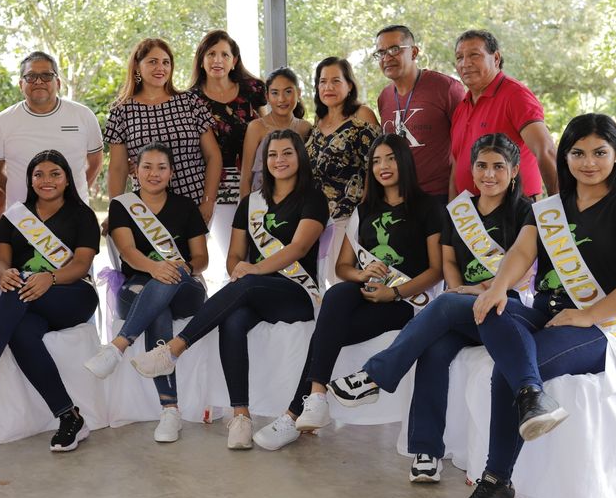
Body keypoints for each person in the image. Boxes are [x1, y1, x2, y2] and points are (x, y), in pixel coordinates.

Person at [461, 114, 616, 498]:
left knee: (508, 369)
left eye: (599, 153)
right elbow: (521, 252)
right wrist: (498, 287)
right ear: (565, 157)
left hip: (600, 328)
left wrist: (589, 314)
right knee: (490, 310)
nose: (588, 162)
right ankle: (532, 396)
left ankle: (497, 481)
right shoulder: (550, 210)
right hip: (545, 313)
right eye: (578, 153)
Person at [328, 133, 532, 483]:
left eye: (499, 167)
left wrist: (477, 290)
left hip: (505, 305)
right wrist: (459, 291)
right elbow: (448, 261)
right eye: (482, 165)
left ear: (514, 171)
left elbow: (524, 270)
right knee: (434, 351)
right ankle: (427, 451)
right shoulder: (460, 212)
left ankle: (374, 376)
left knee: (445, 309)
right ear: (471, 169)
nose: (489, 174)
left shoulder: (526, 211)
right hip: (463, 305)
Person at [131, 130, 328, 450]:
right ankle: (241, 416)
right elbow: (235, 256)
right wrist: (239, 268)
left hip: (296, 292)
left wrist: (252, 271)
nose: (279, 160)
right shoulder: (251, 202)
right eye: (272, 154)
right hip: (255, 291)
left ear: (300, 158)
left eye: (287, 153)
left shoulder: (313, 198)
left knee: (246, 284)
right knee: (232, 320)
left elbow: (298, 248)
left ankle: (174, 350)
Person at [253, 134, 442, 450]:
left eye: (390, 158)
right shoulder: (364, 209)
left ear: (405, 161)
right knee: (338, 294)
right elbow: (343, 268)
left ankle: (293, 413)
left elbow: (436, 270)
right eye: (376, 161)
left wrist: (394, 293)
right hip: (367, 293)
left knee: (325, 334)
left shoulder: (429, 207)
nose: (383, 166)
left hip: (408, 302)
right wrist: (361, 273)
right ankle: (316, 397)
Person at [0, 149, 101, 452]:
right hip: (28, 298)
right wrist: (5, 274)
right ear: (30, 180)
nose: (46, 180)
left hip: (72, 295)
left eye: (55, 174)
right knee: (22, 332)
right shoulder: (15, 217)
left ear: (67, 180)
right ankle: (69, 417)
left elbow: (81, 265)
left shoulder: (82, 215)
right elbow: (0, 260)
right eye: (39, 174)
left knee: (20, 289)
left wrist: (50, 277)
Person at [84, 143, 209, 443]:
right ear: (135, 171)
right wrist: (155, 268)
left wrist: (181, 268)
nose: (154, 173)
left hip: (185, 287)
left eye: (161, 167)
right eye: (147, 167)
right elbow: (127, 251)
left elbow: (201, 259)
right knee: (159, 310)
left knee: (174, 273)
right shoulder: (122, 205)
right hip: (137, 285)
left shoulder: (186, 206)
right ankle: (170, 410)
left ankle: (117, 347)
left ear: (171, 172)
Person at [104, 38, 222, 225]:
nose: (161, 68)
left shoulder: (190, 102)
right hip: (147, 212)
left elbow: (213, 156)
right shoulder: (121, 111)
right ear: (137, 66)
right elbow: (118, 168)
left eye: (166, 62)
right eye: (153, 62)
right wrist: (115, 210)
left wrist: (208, 201)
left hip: (194, 204)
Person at [188, 30, 265, 288]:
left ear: (234, 61)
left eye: (224, 54)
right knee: (230, 257)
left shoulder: (253, 89)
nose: (217, 60)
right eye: (211, 54)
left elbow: (270, 128)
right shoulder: (191, 99)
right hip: (213, 185)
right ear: (201, 60)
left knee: (254, 253)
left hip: (254, 181)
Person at [450, 30, 558, 199]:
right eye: (459, 57)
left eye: (474, 55)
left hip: (516, 208)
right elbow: (456, 165)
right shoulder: (461, 107)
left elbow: (546, 151)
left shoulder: (515, 95)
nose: (465, 63)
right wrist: (452, 209)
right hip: (471, 212)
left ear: (496, 58)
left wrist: (557, 206)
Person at [0, 51, 103, 207]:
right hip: (22, 216)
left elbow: (95, 163)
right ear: (21, 85)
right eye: (31, 76)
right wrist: (19, 195)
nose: (38, 81)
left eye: (46, 76)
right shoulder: (2, 121)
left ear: (58, 83)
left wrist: (73, 195)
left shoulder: (84, 115)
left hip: (74, 213)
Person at [307, 56, 380, 286]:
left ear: (349, 85)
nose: (328, 87)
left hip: (349, 217)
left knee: (339, 283)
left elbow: (374, 167)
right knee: (317, 284)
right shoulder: (318, 120)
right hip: (316, 219)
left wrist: (365, 212)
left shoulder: (362, 115)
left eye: (335, 81)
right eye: (322, 81)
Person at [374, 25, 466, 199]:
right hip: (398, 198)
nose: (387, 57)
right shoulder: (384, 97)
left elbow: (464, 146)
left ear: (414, 52)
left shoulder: (446, 88)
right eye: (381, 52)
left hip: (438, 196)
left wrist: (454, 196)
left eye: (394, 49)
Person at [239, 66, 312, 197]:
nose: (281, 99)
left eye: (288, 92)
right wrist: (245, 207)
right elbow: (246, 177)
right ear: (267, 96)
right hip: (261, 201)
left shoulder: (305, 128)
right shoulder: (256, 127)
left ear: (298, 92)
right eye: (275, 93)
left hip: (297, 201)